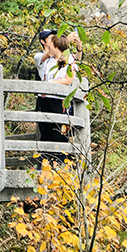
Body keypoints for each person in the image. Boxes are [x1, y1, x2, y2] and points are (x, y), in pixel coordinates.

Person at [38, 35, 77, 164]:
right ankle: (46, 162)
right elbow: (44, 78)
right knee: (45, 131)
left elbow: (69, 79)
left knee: (59, 132)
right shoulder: (49, 61)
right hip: (45, 99)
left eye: (51, 44)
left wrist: (53, 84)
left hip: (59, 100)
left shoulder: (69, 59)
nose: (49, 46)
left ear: (56, 45)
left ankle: (60, 163)